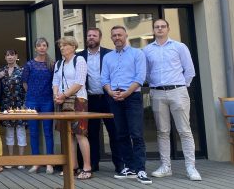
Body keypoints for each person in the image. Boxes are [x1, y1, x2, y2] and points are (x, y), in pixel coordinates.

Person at [144, 19, 201, 181]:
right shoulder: (147, 50)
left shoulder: (179, 47)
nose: (160, 29)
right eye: (157, 27)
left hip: (178, 91)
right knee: (162, 132)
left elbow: (189, 70)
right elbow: (147, 73)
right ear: (153, 30)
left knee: (184, 130)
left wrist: (181, 86)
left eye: (163, 26)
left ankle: (191, 167)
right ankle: (165, 166)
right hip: (157, 93)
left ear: (168, 29)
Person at [101, 25, 151, 184]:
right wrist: (110, 92)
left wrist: (127, 92)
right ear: (111, 38)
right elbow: (104, 79)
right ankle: (129, 167)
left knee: (136, 134)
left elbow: (140, 77)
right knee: (121, 134)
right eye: (114, 35)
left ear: (126, 35)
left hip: (132, 97)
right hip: (114, 97)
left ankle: (141, 169)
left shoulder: (137, 53)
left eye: (119, 35)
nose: (117, 38)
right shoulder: (108, 57)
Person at [76, 28, 122, 173]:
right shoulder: (80, 57)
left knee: (114, 132)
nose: (91, 37)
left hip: (109, 98)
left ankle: (120, 165)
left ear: (100, 38)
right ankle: (93, 164)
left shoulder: (110, 54)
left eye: (94, 35)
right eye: (89, 35)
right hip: (90, 99)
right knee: (92, 133)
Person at [53, 36, 92, 180]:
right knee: (68, 134)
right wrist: (56, 95)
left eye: (65, 45)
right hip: (62, 101)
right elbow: (55, 81)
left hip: (78, 100)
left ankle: (87, 168)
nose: (62, 48)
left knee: (80, 134)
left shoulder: (79, 60)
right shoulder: (59, 63)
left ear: (73, 46)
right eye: (61, 45)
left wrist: (63, 95)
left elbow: (79, 82)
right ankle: (73, 166)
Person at [22, 38, 55, 174]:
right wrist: (32, 94)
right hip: (32, 101)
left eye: (44, 45)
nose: (41, 48)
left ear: (47, 47)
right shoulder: (29, 64)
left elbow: (56, 82)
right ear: (35, 48)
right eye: (39, 46)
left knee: (48, 132)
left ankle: (50, 163)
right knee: (34, 132)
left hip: (47, 101)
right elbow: (24, 82)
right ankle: (36, 162)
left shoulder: (52, 64)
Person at [0, 49, 26, 169]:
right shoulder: (1, 71)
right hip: (6, 105)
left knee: (20, 131)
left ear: (16, 56)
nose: (10, 57)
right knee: (9, 133)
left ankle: (21, 160)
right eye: (7, 55)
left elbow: (25, 88)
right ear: (5, 57)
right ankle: (10, 159)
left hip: (20, 105)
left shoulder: (22, 71)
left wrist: (25, 104)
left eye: (12, 55)